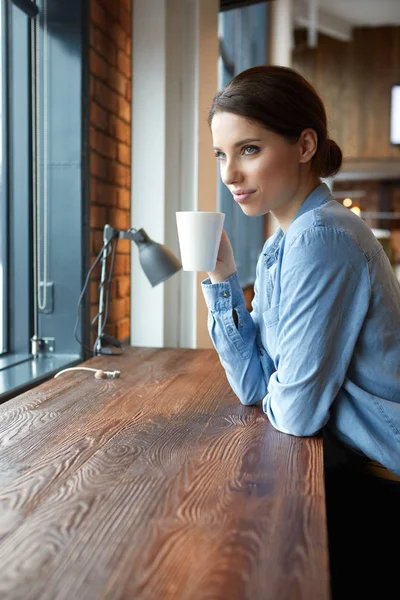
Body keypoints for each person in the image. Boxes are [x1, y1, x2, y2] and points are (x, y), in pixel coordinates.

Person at [201, 65, 400, 598]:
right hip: (349, 463)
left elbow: (296, 409)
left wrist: (280, 387)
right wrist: (222, 278)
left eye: (248, 150)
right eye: (221, 154)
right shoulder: (280, 248)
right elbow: (252, 385)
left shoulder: (323, 239)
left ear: (305, 144)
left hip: (381, 473)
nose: (228, 174)